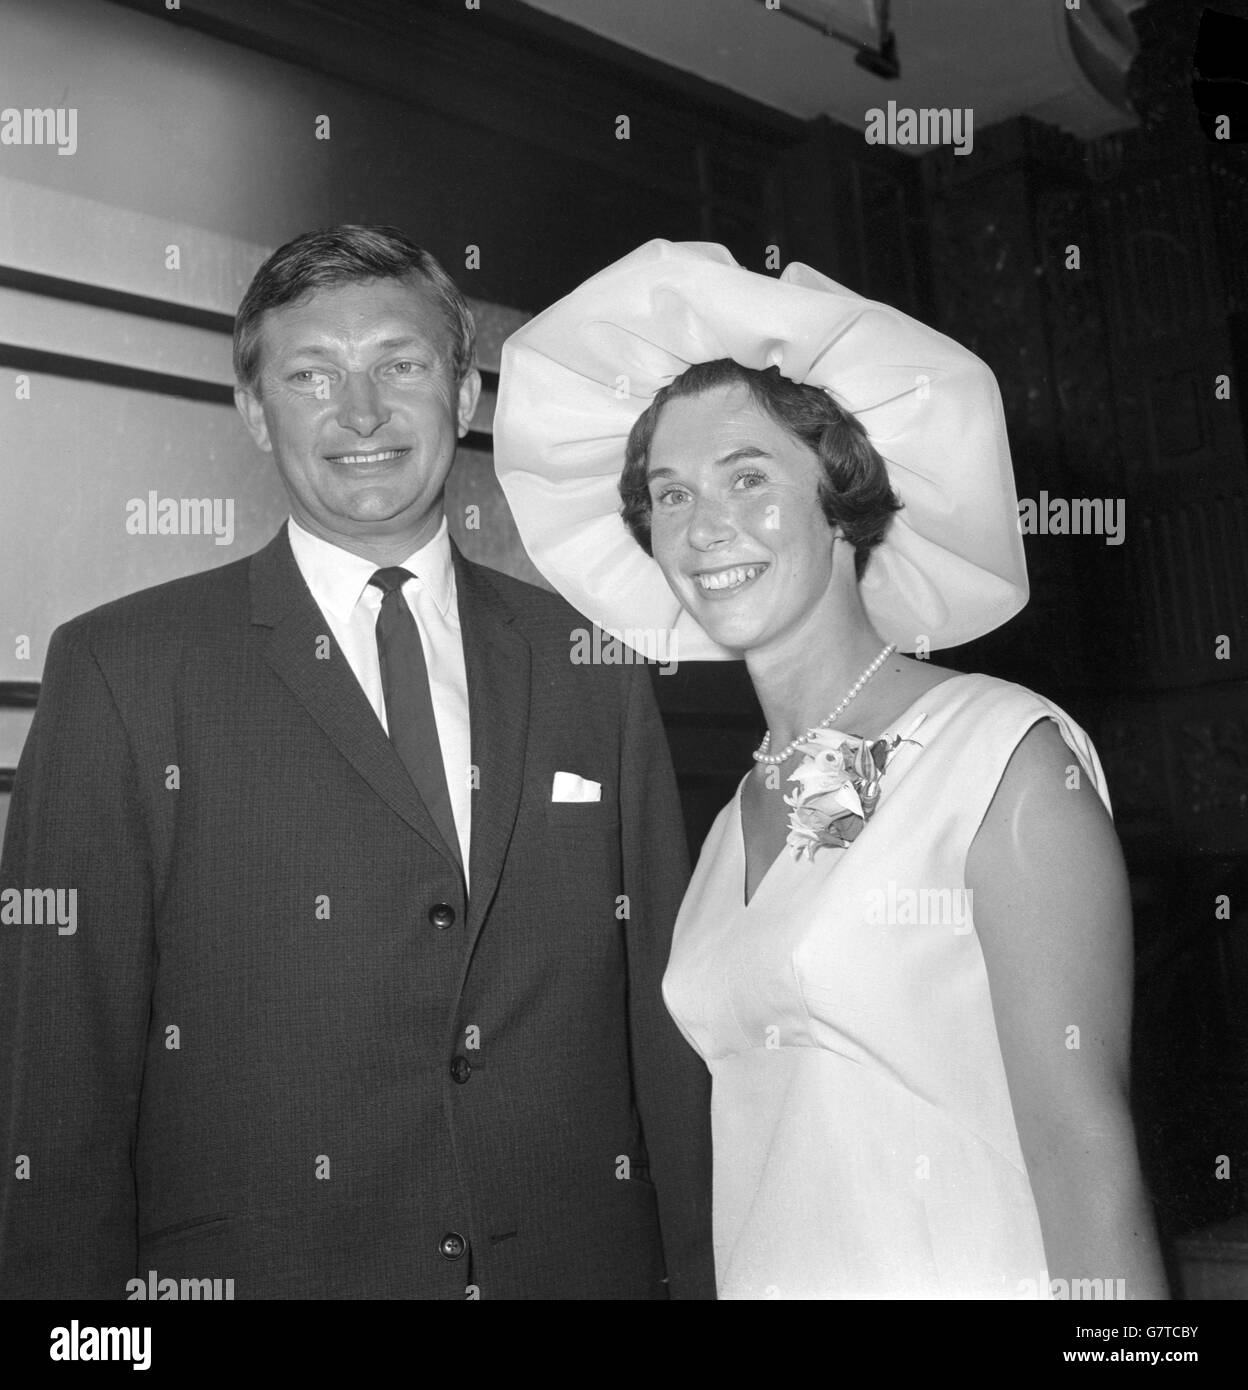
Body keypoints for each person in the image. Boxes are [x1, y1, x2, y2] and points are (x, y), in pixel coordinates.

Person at [0, 225, 713, 1300]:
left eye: (400, 364)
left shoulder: (594, 660)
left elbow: (667, 1025)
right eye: (310, 375)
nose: (362, 412)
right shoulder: (122, 669)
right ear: (253, 412)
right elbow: (57, 1073)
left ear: (463, 396)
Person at [492, 239, 1169, 1299]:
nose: (707, 526)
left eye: (749, 477)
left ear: (842, 502)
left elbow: (1089, 1165)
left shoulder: (1002, 757)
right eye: (669, 495)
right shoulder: (727, 826)